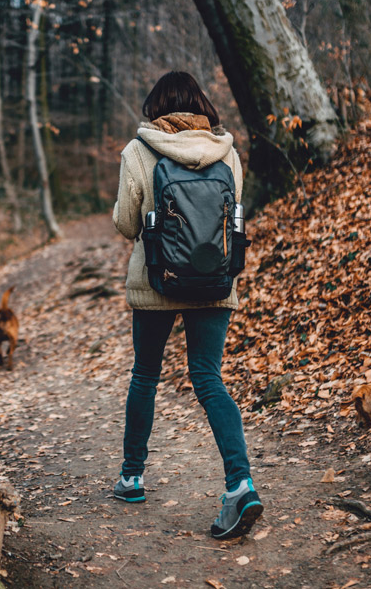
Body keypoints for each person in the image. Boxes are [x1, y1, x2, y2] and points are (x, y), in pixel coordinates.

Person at [110, 71, 262, 539]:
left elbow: (125, 223)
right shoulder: (227, 153)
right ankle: (240, 483)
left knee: (145, 376)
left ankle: (132, 477)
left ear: (156, 107)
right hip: (215, 282)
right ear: (201, 106)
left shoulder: (139, 151)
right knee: (209, 379)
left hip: (157, 282)